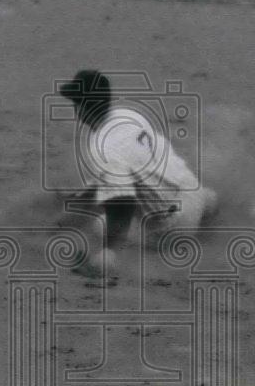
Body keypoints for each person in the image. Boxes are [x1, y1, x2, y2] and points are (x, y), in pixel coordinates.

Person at [57, 69, 217, 279]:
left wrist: (109, 250)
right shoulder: (128, 116)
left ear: (82, 107)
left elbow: (122, 202)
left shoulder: (103, 150)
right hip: (196, 194)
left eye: (75, 102)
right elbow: (137, 164)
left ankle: (106, 261)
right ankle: (212, 212)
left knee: (98, 224)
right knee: (203, 195)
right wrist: (83, 197)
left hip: (173, 228)